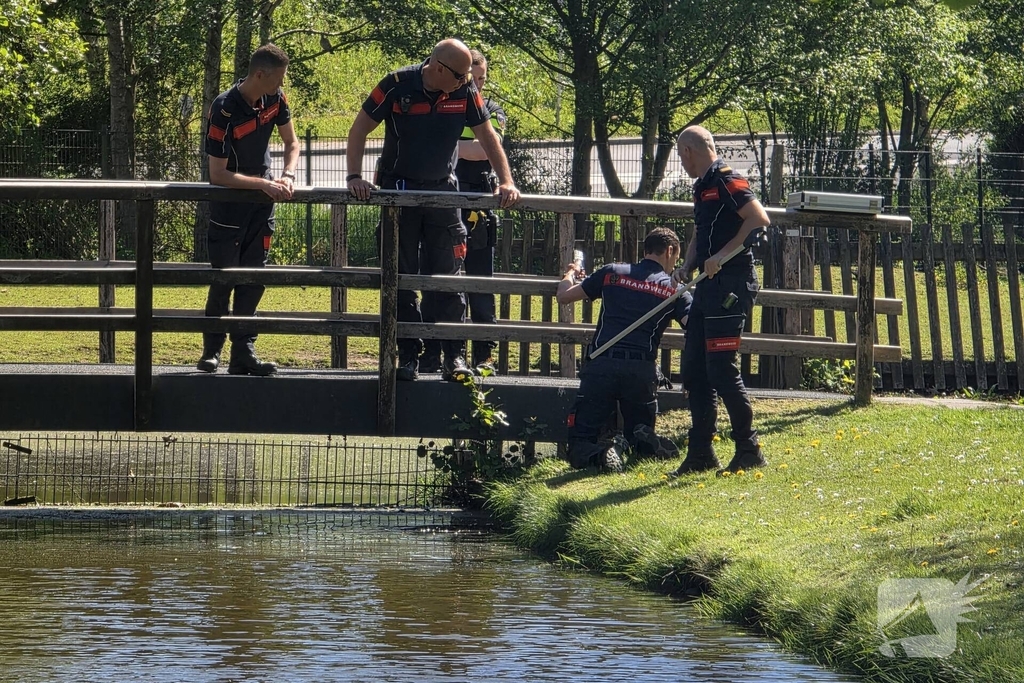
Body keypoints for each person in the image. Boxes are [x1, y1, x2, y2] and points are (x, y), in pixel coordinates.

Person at [346, 39, 520, 382]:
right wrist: (354, 177)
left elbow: (488, 137)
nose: (466, 81)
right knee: (402, 279)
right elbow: (359, 129)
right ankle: (408, 355)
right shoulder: (396, 85)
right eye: (460, 75)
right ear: (439, 68)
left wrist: (507, 181)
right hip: (399, 193)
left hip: (444, 193)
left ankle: (454, 356)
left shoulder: (465, 90)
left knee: (448, 279)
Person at [671, 125, 771, 475]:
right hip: (707, 287)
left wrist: (723, 256)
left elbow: (758, 219)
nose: (681, 164)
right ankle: (701, 452)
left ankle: (748, 447)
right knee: (695, 369)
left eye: (680, 157)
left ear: (688, 152)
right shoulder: (702, 187)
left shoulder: (727, 178)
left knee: (721, 369)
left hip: (731, 284)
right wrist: (688, 263)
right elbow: (701, 230)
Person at [197, 43, 299, 376]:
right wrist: (263, 185)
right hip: (229, 209)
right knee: (224, 279)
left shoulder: (275, 100)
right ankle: (211, 352)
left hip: (262, 208)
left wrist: (286, 174)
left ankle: (243, 353)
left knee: (253, 279)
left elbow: (292, 142)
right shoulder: (224, 108)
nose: (280, 87)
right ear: (259, 74)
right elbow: (218, 174)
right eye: (277, 80)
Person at [556, 227, 691, 472]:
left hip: (602, 364)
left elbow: (564, 296)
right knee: (639, 436)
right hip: (641, 370)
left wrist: (570, 273)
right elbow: (693, 326)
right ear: (670, 251)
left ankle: (601, 455)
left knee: (579, 442)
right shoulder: (675, 290)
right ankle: (641, 440)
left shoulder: (612, 273)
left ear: (646, 249)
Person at [420, 49, 507, 375]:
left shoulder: (492, 110)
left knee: (479, 285)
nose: (475, 85)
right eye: (470, 78)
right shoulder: (442, 107)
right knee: (435, 283)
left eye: (481, 79)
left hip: (478, 215)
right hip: (441, 210)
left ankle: (484, 356)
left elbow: (488, 146)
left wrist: (443, 145)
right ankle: (432, 353)